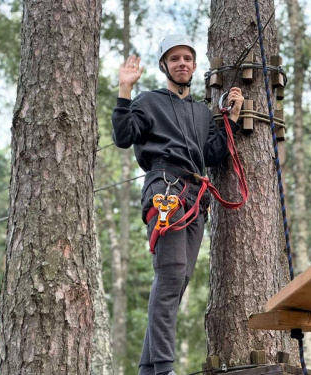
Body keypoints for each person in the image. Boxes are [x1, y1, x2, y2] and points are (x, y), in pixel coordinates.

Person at [111, 34, 244, 375]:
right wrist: (125, 89)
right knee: (170, 277)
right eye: (174, 59)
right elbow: (124, 137)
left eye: (187, 58)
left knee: (179, 278)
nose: (182, 63)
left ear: (194, 65)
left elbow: (214, 155)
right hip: (165, 189)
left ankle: (149, 369)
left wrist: (229, 118)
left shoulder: (201, 112)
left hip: (195, 198)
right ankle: (165, 368)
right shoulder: (148, 102)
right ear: (164, 66)